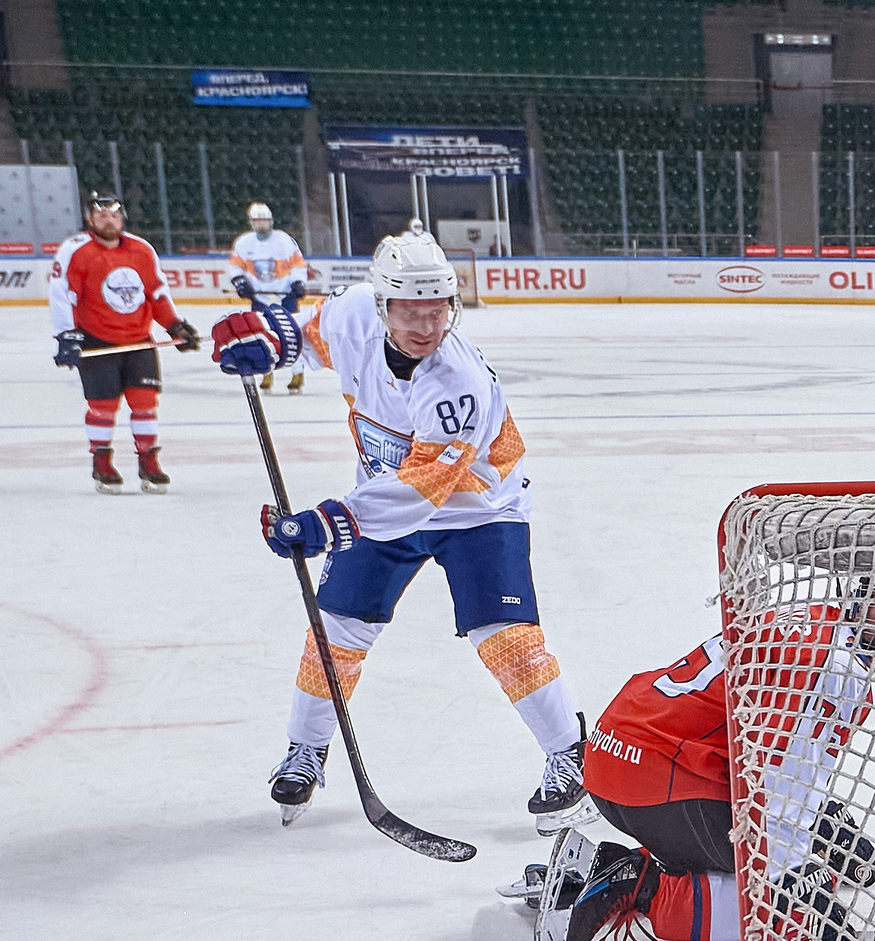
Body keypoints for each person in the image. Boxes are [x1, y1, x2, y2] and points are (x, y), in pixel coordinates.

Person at [207, 227, 592, 836]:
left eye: (436, 309)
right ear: (382, 304)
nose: (425, 325)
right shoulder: (354, 314)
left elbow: (420, 491)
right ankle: (306, 749)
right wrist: (268, 346)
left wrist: (326, 524)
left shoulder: (456, 382)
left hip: (479, 509)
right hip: (382, 501)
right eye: (409, 310)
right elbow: (307, 340)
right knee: (334, 633)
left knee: (507, 638)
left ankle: (570, 753)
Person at [518, 575, 875, 941]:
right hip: (657, 779)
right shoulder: (839, 670)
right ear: (858, 600)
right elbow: (775, 772)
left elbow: (768, 747)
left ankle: (602, 868)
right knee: (774, 898)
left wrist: (816, 821)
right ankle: (642, 885)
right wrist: (793, 897)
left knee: (801, 873)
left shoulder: (811, 619)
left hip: (619, 759)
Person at [48, 192, 199, 495]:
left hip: (139, 340)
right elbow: (62, 293)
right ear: (89, 220)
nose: (108, 220)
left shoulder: (141, 250)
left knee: (145, 403)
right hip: (96, 340)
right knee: (103, 406)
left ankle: (149, 460)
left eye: (114, 215)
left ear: (122, 218)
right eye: (101, 215)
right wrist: (67, 334)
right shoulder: (74, 250)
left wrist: (174, 324)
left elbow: (156, 293)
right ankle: (102, 460)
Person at [229, 202, 312, 393]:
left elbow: (298, 264)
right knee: (261, 334)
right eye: (257, 220)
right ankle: (266, 372)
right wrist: (240, 282)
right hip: (259, 296)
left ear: (271, 220)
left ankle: (297, 373)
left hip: (285, 294)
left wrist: (298, 283)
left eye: (264, 220)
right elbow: (235, 267)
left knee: (292, 334)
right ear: (251, 222)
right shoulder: (243, 243)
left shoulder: (284, 241)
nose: (261, 224)